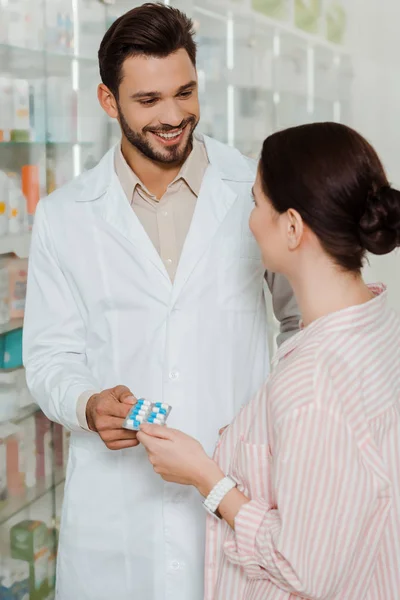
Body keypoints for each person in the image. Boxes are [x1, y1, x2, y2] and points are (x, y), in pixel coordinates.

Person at [22, 4, 299, 600]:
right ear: (107, 100)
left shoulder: (254, 190)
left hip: (235, 492)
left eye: (185, 92)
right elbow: (48, 356)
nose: (174, 117)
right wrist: (87, 401)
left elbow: (301, 324)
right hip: (116, 514)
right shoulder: (65, 216)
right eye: (148, 101)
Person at [138, 122, 400, 600]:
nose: (250, 219)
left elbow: (302, 568)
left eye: (257, 202)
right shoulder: (377, 322)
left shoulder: (312, 386)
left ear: (293, 227)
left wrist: (205, 477)